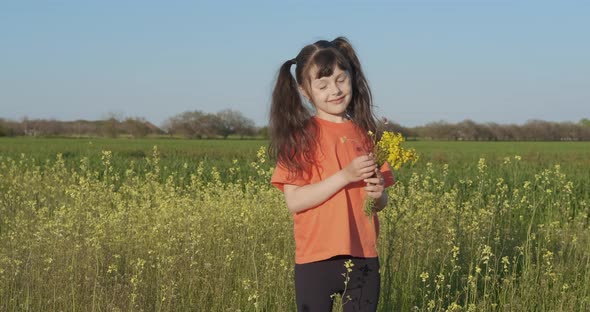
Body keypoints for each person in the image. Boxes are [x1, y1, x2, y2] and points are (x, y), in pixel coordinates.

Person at [269, 37, 395, 312]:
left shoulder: (370, 135)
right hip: (315, 260)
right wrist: (345, 176)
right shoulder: (300, 138)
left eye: (341, 79)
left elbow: (380, 203)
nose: (335, 90)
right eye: (322, 85)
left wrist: (379, 195)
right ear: (304, 90)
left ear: (352, 76)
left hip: (364, 256)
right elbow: (295, 201)